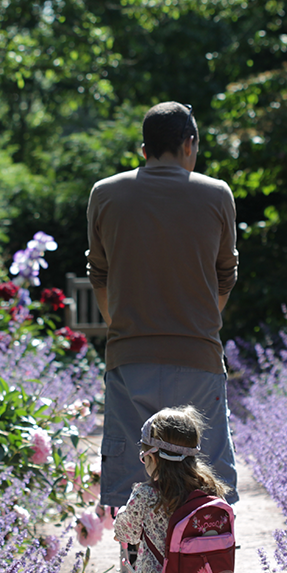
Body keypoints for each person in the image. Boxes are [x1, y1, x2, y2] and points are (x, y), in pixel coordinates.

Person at [87, 101, 240, 508]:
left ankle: (136, 566)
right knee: (207, 484)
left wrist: (121, 326)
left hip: (129, 357)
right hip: (198, 358)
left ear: (144, 150)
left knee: (134, 488)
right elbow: (226, 276)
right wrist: (199, 322)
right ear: (189, 145)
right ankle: (205, 565)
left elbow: (98, 275)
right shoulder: (216, 195)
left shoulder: (105, 194)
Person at [113, 407, 249, 573]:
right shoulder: (211, 492)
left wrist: (122, 515)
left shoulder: (145, 495)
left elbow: (127, 533)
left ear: (153, 458)